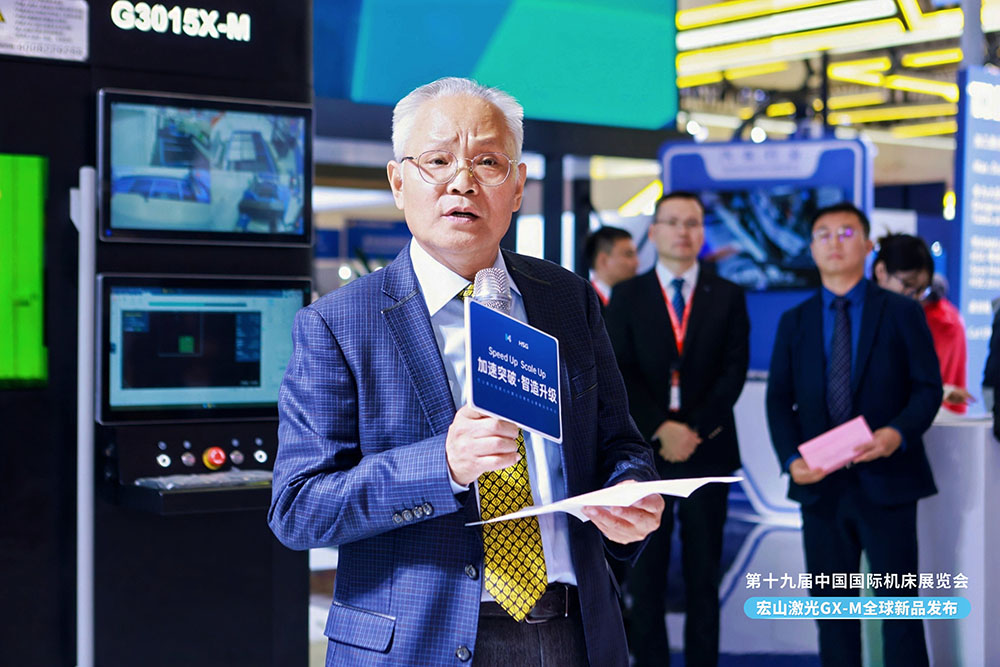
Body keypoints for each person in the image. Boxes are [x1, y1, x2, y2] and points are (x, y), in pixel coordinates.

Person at [268, 77, 664, 667]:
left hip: (571, 632)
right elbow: (299, 509)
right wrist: (444, 466)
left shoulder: (566, 299)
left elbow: (620, 444)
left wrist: (628, 492)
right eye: (437, 161)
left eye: (487, 162)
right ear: (398, 182)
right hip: (416, 645)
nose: (462, 181)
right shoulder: (338, 324)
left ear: (518, 186)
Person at [766, 202, 942, 667]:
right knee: (833, 614)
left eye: (846, 233)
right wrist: (791, 461)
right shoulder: (795, 321)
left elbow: (928, 388)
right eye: (823, 234)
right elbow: (778, 400)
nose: (834, 243)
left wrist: (896, 434)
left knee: (899, 611)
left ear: (867, 246)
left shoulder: (901, 312)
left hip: (888, 479)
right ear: (811, 249)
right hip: (822, 488)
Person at [605, 191, 749, 667]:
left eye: (692, 223)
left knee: (703, 576)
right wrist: (661, 427)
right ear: (654, 232)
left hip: (709, 449)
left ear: (702, 232)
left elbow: (733, 372)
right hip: (645, 453)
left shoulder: (728, 295)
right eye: (673, 222)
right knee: (646, 576)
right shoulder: (628, 295)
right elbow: (618, 371)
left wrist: (693, 430)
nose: (683, 232)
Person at [871, 233, 971, 413]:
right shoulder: (855, 314)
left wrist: (939, 392)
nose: (914, 297)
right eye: (907, 285)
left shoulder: (919, 319)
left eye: (921, 291)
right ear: (881, 272)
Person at [583, 226, 639, 307]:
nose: (636, 262)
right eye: (628, 255)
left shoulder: (638, 299)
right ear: (603, 260)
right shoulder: (583, 302)